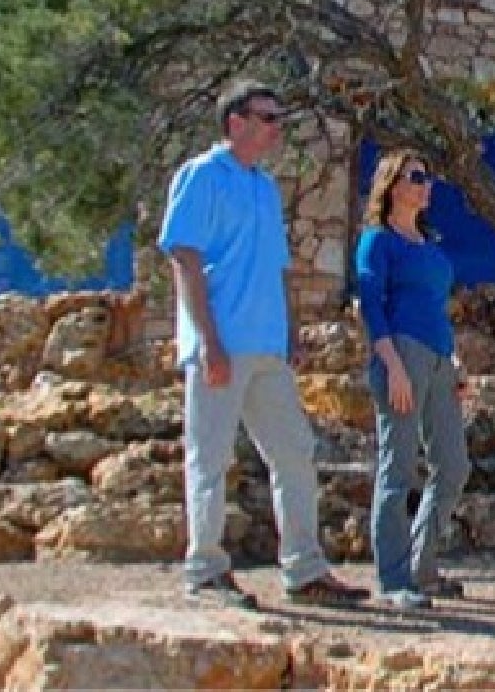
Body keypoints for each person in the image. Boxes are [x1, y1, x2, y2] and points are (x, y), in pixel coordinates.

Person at [158, 81, 369, 610]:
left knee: (294, 451)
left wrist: (289, 331)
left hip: (265, 347)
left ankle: (305, 570)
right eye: (268, 117)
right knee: (209, 457)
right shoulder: (202, 175)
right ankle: (205, 570)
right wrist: (207, 341)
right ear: (236, 122)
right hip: (220, 343)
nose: (277, 128)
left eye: (279, 118)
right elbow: (184, 258)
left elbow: (277, 267)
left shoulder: (264, 187)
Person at [355, 149, 470, 609]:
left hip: (439, 357)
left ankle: (423, 566)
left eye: (428, 178)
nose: (426, 186)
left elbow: (437, 308)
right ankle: (394, 580)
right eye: (417, 177)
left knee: (454, 465)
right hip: (400, 352)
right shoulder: (378, 241)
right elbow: (370, 304)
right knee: (397, 466)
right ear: (392, 185)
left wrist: (454, 359)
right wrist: (392, 364)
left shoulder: (430, 244)